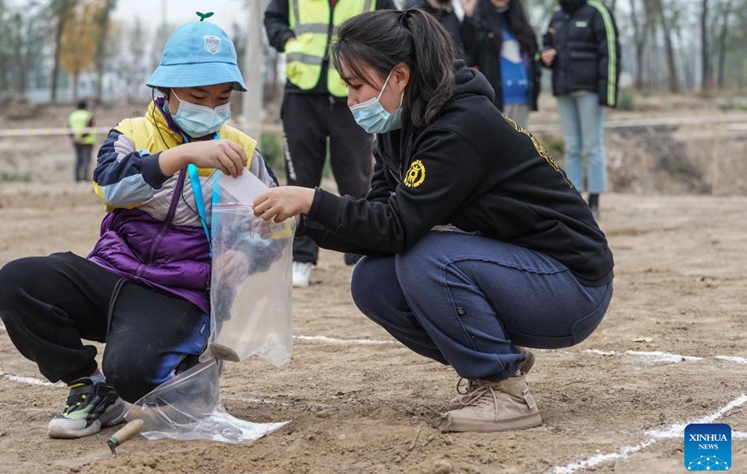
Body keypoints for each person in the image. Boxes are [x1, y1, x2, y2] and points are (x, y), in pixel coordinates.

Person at [253, 8, 613, 433]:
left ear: (399, 76)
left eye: (356, 85)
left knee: (426, 255)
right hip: (520, 271)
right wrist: (298, 220)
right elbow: (378, 221)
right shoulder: (399, 125)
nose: (349, 99)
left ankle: (505, 391)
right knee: (373, 282)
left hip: (572, 288)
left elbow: (397, 227)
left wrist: (313, 201)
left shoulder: (459, 128)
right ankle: (495, 361)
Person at [0, 14, 280, 439]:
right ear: (166, 91)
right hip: (111, 274)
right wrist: (181, 156)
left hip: (181, 293)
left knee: (131, 372)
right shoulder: (131, 134)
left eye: (222, 98)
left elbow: (275, 229)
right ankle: (90, 389)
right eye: (198, 95)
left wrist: (247, 253)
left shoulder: (243, 151)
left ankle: (188, 367)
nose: (212, 108)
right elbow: (111, 187)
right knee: (18, 281)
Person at [264, 0, 396, 288]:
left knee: (357, 179)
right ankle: (301, 256)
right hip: (301, 93)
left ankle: (359, 256)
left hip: (352, 95)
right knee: (300, 177)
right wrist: (287, 39)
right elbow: (272, 19)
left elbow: (392, 25)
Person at [541, 0, 620, 219]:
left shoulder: (597, 11)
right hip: (564, 90)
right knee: (572, 147)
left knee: (592, 147)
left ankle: (594, 201)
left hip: (590, 91)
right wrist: (544, 56)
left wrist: (608, 94)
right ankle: (575, 201)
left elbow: (610, 52)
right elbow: (544, 46)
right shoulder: (557, 16)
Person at [469, 0, 540, 128]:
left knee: (521, 144)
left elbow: (533, 57)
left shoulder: (521, 23)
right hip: (494, 99)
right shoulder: (478, 23)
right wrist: (469, 18)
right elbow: (469, 53)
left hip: (522, 97)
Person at [402, 0, 477, 64]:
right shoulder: (416, 9)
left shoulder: (448, 11)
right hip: (438, 75)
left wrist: (468, 16)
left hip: (457, 72)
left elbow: (466, 47)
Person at [67, 100, 96, 182]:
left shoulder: (72, 115)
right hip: (87, 141)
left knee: (78, 160)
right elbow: (89, 128)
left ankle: (77, 178)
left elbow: (69, 128)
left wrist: (74, 138)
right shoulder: (88, 115)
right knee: (86, 160)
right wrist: (81, 137)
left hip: (76, 141)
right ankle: (85, 177)